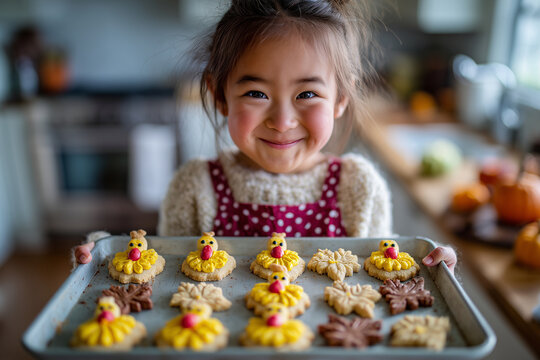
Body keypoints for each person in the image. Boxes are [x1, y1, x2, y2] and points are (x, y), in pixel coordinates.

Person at [75, 0, 456, 273]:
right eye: (256, 93)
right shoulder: (196, 186)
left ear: (340, 98)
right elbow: (164, 273)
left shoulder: (358, 187)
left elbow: (386, 273)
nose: (282, 120)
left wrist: (434, 267)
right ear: (220, 94)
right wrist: (103, 259)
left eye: (307, 94)